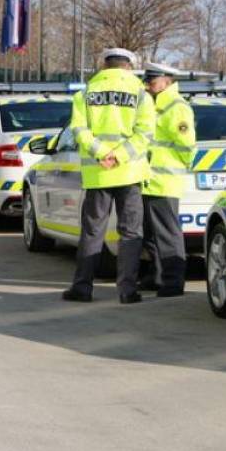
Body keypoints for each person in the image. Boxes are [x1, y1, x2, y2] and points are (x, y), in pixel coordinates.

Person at [62, 48, 156, 305]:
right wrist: (119, 156)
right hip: (129, 173)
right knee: (130, 233)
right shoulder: (140, 93)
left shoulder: (86, 93)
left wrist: (102, 153)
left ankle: (82, 288)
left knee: (92, 232)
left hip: (98, 174)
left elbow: (78, 129)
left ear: (104, 66)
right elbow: (145, 133)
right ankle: (127, 291)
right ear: (128, 67)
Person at [140, 63, 195, 297]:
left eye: (151, 81)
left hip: (164, 180)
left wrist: (178, 165)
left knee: (167, 233)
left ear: (166, 81)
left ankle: (173, 282)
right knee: (150, 233)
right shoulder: (154, 103)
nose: (147, 85)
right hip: (148, 179)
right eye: (146, 81)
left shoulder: (176, 106)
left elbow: (187, 144)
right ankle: (157, 276)